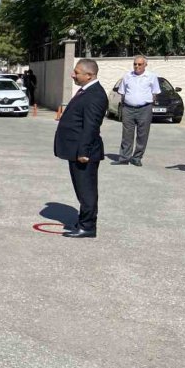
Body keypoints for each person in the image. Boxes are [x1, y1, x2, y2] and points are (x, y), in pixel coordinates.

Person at [53, 58, 108, 238]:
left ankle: (88, 226)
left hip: (84, 153)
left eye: (77, 73)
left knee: (87, 191)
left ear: (89, 75)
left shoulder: (96, 95)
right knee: (81, 189)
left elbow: (91, 127)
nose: (73, 75)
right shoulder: (86, 91)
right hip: (76, 150)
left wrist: (83, 151)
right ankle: (84, 220)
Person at [112, 56, 160, 167]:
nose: (137, 66)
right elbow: (122, 93)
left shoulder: (152, 77)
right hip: (128, 108)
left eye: (139, 64)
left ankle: (137, 157)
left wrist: (148, 104)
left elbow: (155, 93)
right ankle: (124, 158)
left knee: (142, 134)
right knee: (127, 134)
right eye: (135, 64)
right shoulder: (127, 76)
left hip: (145, 109)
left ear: (145, 65)